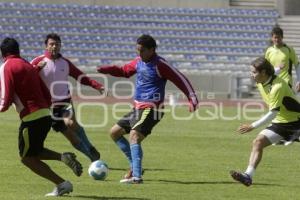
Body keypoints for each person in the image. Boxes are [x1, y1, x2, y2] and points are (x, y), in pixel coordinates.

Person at [97, 34, 199, 184]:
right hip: (138, 108)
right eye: (137, 50)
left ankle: (137, 177)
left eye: (142, 50)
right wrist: (108, 69)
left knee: (134, 135)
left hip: (152, 109)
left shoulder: (160, 64)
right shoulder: (139, 61)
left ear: (152, 50)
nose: (139, 53)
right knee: (114, 133)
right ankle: (134, 167)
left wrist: (192, 98)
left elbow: (180, 78)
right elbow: (124, 71)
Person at [0, 37, 83, 196]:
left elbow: (6, 97)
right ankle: (62, 157)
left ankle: (62, 184)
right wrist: (45, 109)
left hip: (31, 118)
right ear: (18, 50)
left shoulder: (7, 66)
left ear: (3, 53)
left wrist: (3, 107)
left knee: (26, 158)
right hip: (46, 114)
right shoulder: (28, 65)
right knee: (34, 151)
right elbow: (45, 92)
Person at [31, 33, 105, 162]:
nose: (54, 46)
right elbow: (27, 77)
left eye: (57, 44)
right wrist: (37, 69)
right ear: (46, 46)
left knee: (70, 123)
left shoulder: (65, 63)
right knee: (70, 135)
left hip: (65, 101)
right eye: (51, 44)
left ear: (60, 46)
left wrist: (97, 86)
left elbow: (80, 76)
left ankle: (89, 147)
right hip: (48, 106)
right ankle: (91, 155)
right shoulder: (38, 61)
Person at [230, 57, 300, 186]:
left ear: (263, 73)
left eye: (254, 72)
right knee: (258, 142)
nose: (251, 75)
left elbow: (272, 113)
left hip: (297, 122)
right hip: (281, 123)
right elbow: (273, 72)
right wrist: (279, 68)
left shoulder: (277, 87)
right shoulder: (262, 79)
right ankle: (248, 176)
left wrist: (252, 125)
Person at [265, 26, 300, 91]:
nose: (277, 40)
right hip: (273, 84)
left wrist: (299, 80)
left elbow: (297, 65)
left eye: (279, 37)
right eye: (275, 37)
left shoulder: (289, 49)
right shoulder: (269, 51)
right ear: (272, 38)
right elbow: (266, 69)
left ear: (282, 37)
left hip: (286, 83)